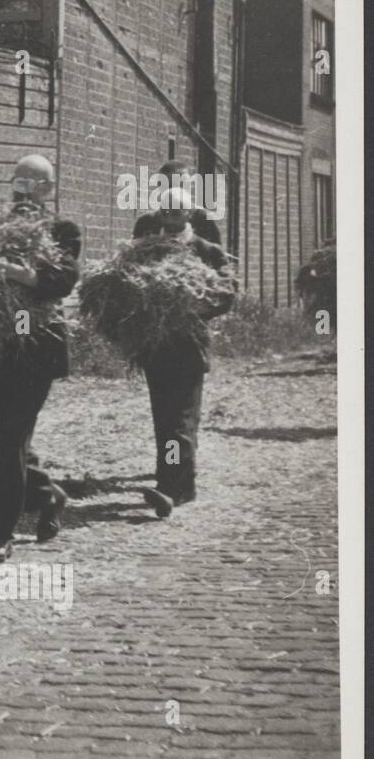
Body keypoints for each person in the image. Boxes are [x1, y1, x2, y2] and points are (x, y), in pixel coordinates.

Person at [0, 153, 81, 561]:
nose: (24, 192)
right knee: (9, 438)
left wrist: (17, 273)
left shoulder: (61, 231)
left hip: (37, 345)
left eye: (33, 184)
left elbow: (64, 280)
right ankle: (47, 496)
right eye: (18, 183)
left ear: (49, 189)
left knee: (13, 437)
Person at [132, 186, 236, 518]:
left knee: (181, 421)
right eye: (166, 214)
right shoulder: (149, 249)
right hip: (157, 347)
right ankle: (180, 484)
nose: (172, 221)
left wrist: (202, 304)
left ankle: (169, 489)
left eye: (178, 214)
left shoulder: (206, 250)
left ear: (189, 214)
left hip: (189, 348)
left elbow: (228, 291)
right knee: (165, 419)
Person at [134, 159, 223, 246]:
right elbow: (132, 255)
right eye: (170, 185)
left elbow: (217, 256)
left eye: (182, 185)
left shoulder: (203, 219)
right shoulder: (146, 221)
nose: (175, 190)